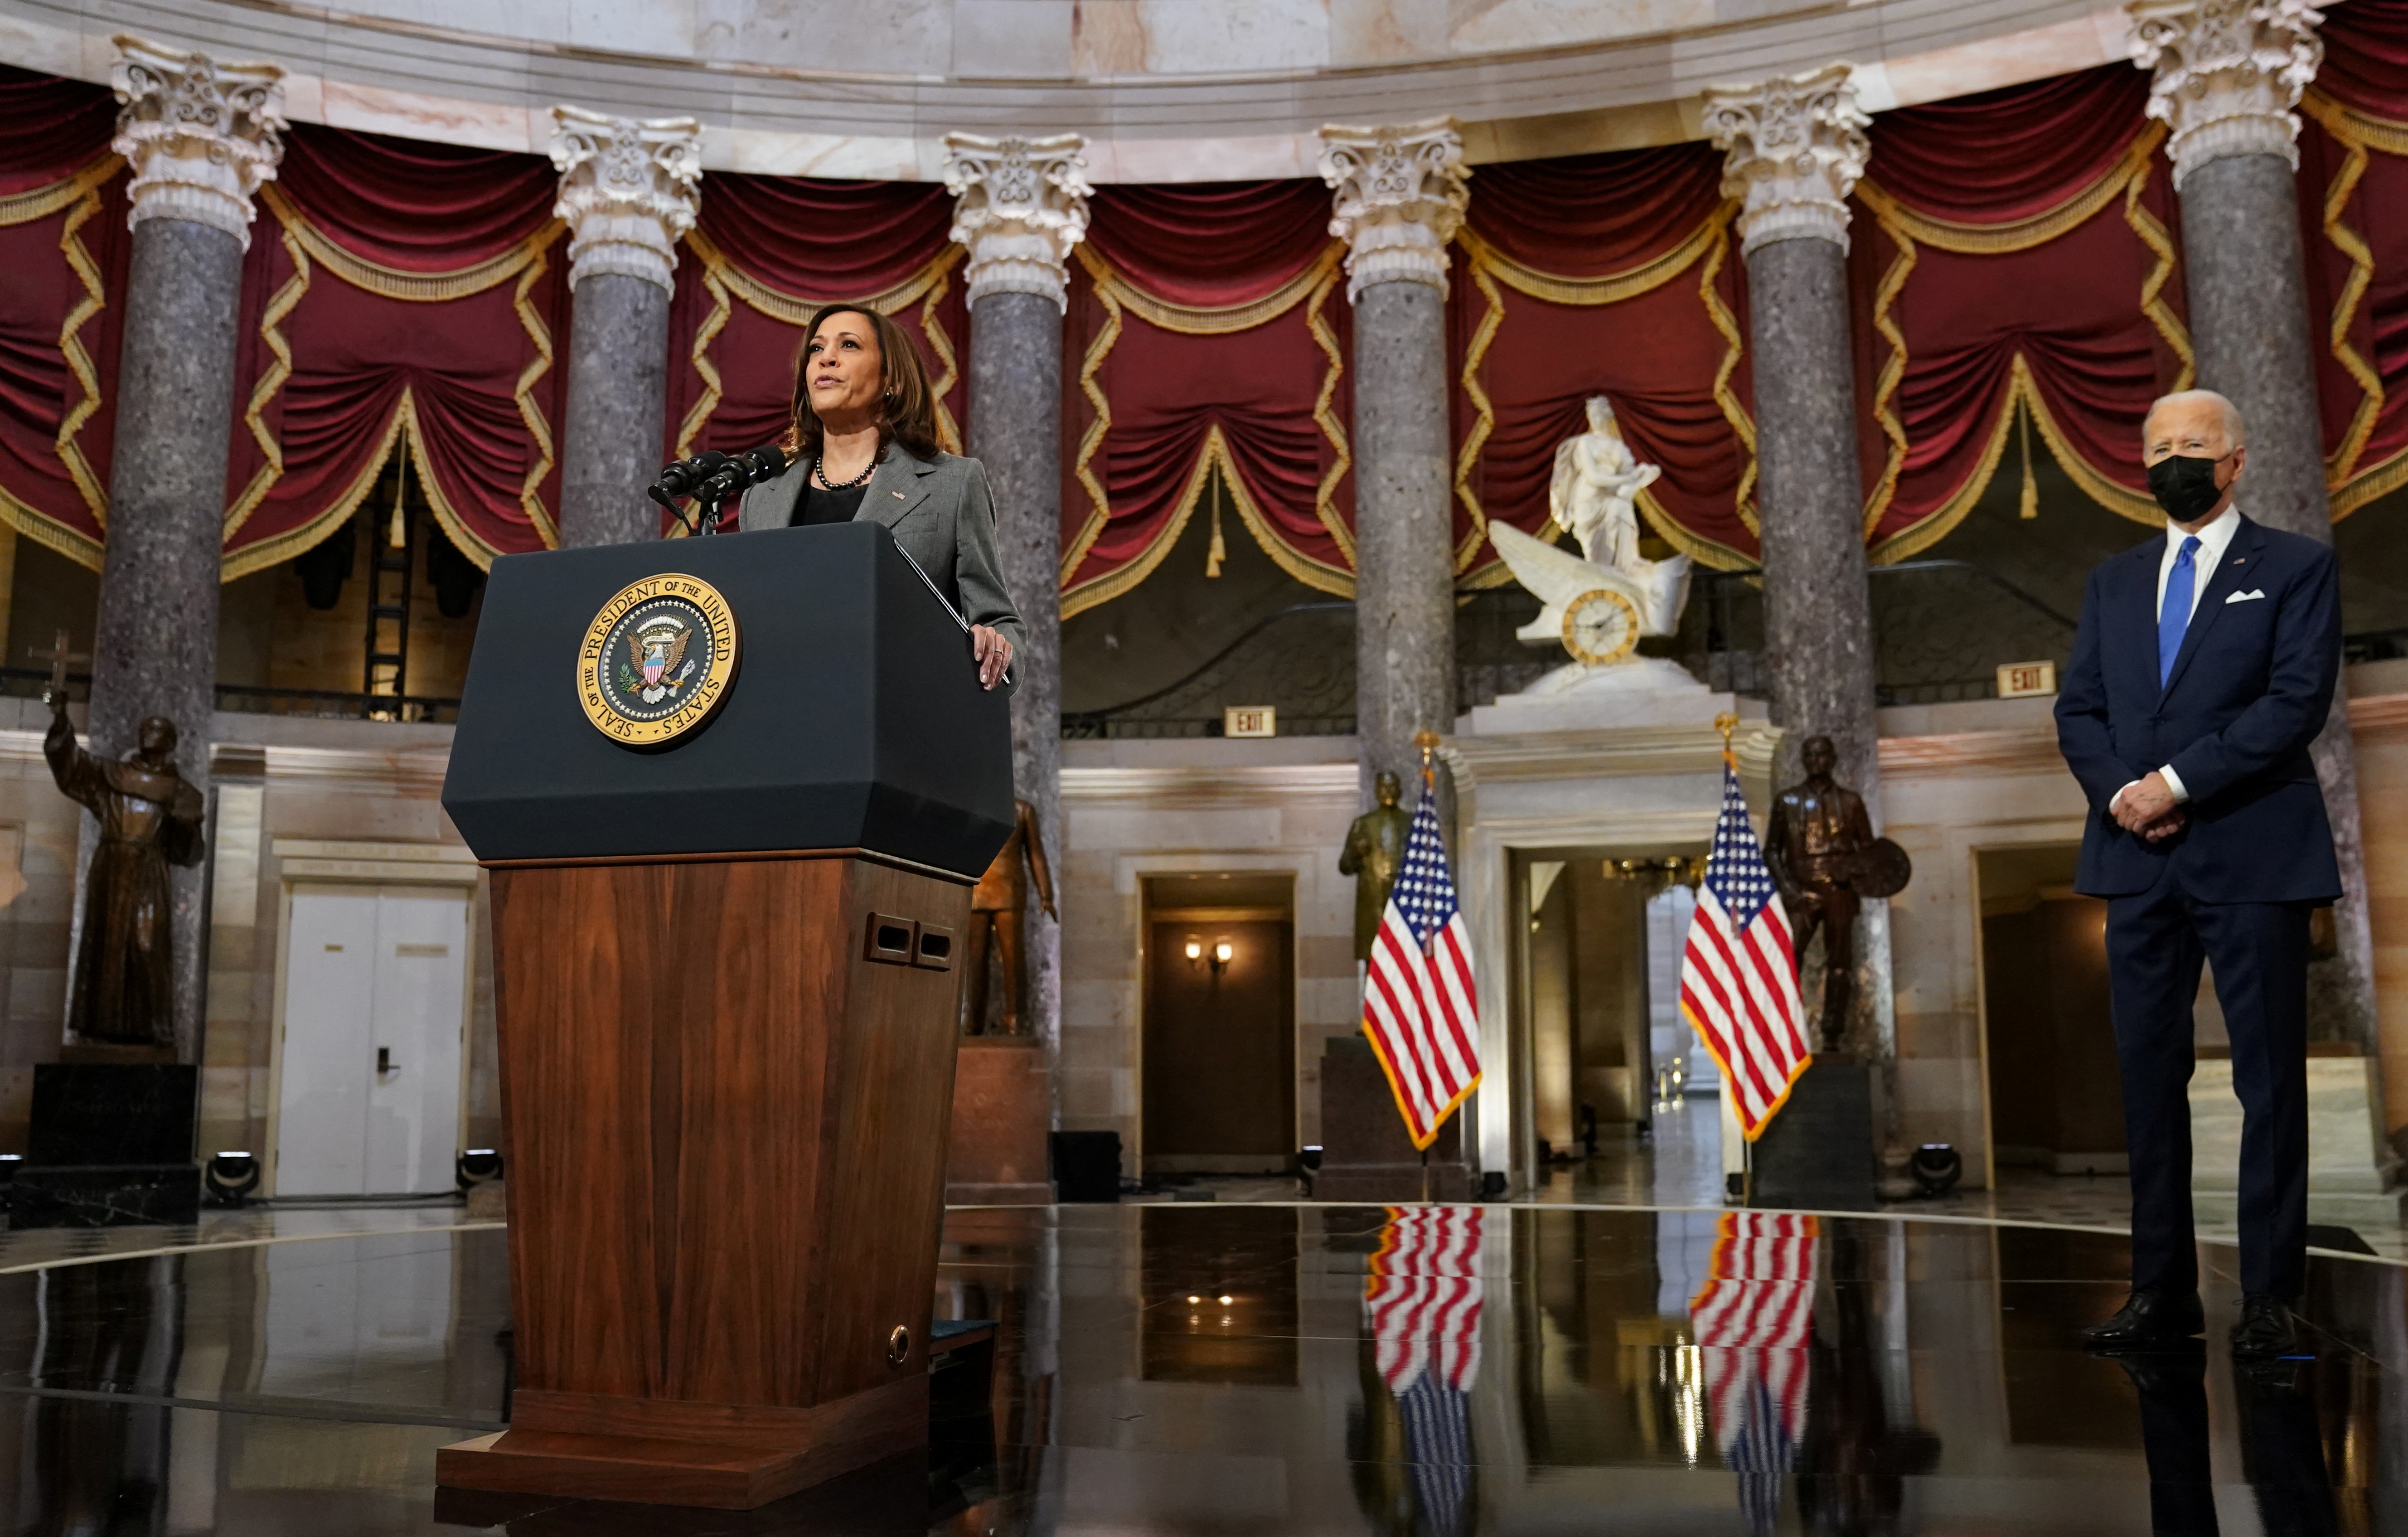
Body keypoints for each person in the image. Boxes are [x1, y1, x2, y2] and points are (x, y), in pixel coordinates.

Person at [2054, 389, 2341, 1362]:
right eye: (2158, 446)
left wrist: (2176, 780)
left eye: (2194, 445)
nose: (2174, 459)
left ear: (2233, 462)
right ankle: (2158, 1288)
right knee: (2146, 1082)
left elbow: (2295, 701)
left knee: (2268, 1083)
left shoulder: (2295, 567)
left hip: (2252, 852)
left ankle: (2269, 1295)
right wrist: (2125, 798)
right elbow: (2078, 710)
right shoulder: (2110, 580)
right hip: (2135, 861)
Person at [738, 303, 1020, 691]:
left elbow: (996, 618)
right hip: (783, 705)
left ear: (892, 380)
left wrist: (997, 647)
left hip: (901, 709)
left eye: (849, 345)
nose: (827, 359)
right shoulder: (762, 495)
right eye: (816, 350)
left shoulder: (951, 483)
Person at [44, 698, 205, 1046]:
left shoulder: (183, 794)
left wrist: (187, 828)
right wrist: (58, 714)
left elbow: (189, 855)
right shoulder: (110, 777)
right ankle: (97, 1026)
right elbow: (69, 764)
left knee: (146, 945)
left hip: (148, 874)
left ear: (171, 742)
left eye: (159, 728)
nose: (151, 732)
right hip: (111, 868)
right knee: (105, 944)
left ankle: (152, 1026)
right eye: (147, 727)